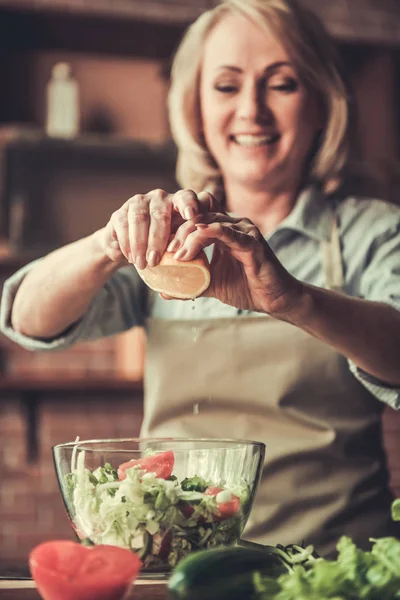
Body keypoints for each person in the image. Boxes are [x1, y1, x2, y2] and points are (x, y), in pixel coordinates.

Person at [1, 0, 400, 558]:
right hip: (178, 565)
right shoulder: (166, 236)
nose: (251, 110)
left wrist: (294, 301)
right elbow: (26, 318)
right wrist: (107, 244)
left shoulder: (374, 232)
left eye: (281, 84)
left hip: (336, 567)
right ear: (195, 109)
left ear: (321, 104)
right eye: (226, 86)